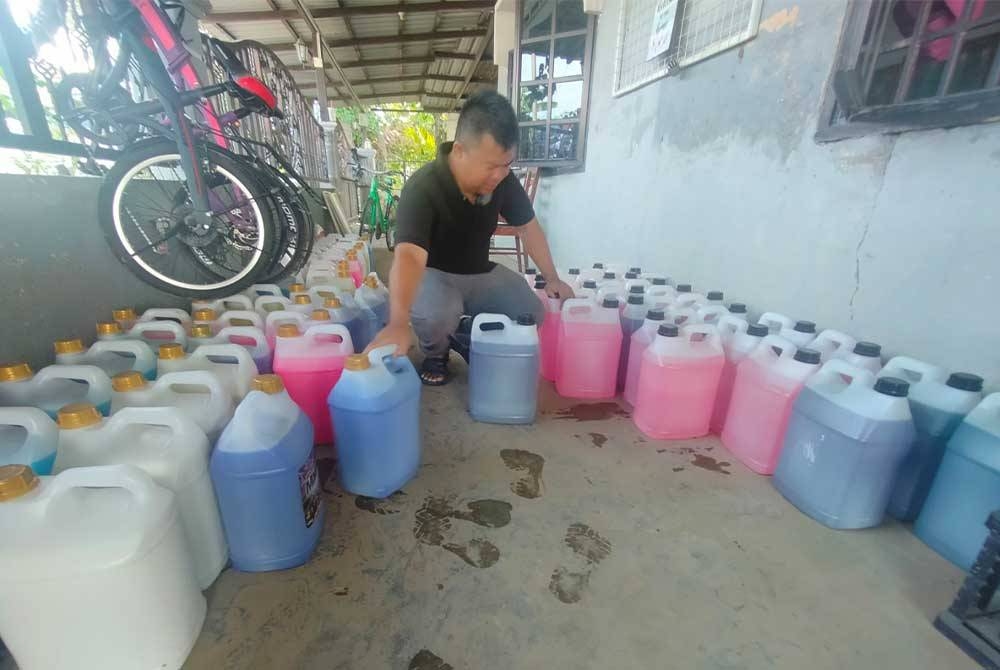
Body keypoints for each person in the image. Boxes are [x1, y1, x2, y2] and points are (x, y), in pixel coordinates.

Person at [365, 90, 574, 385]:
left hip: (479, 274)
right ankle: (436, 353)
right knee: (437, 314)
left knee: (531, 312)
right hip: (434, 276)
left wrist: (552, 278)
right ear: (460, 151)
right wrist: (398, 323)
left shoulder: (502, 181)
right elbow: (410, 256)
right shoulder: (423, 187)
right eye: (491, 166)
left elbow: (528, 227)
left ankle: (467, 333)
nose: (500, 175)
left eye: (507, 165)